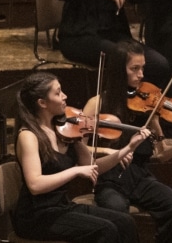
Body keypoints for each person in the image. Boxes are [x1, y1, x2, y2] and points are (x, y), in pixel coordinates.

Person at [81, 40, 172, 243]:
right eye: (134, 69)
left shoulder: (149, 109)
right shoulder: (96, 105)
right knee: (119, 216)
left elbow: (162, 153)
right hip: (110, 179)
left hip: (140, 177)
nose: (141, 75)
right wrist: (112, 152)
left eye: (142, 68)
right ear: (119, 71)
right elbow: (81, 147)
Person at [12, 72, 147, 242]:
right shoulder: (29, 136)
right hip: (36, 216)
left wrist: (128, 148)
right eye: (58, 93)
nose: (65, 96)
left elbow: (93, 165)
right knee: (106, 230)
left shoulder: (65, 130)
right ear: (42, 103)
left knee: (126, 222)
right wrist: (75, 171)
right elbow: (35, 185)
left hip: (61, 207)